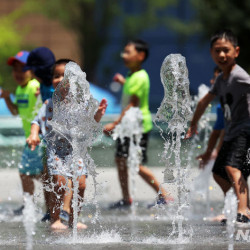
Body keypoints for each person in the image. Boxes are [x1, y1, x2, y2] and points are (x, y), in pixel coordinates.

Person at [27, 59, 108, 229]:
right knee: (60, 183)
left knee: (82, 184)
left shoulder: (82, 104)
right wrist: (34, 134)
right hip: (56, 151)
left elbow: (91, 122)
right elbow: (36, 121)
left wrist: (98, 114)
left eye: (65, 75)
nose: (60, 79)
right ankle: (55, 218)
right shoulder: (50, 104)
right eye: (56, 76)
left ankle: (74, 219)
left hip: (76, 151)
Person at [186, 29, 250, 224]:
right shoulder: (221, 80)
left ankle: (243, 210)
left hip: (245, 130)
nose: (222, 55)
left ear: (236, 52)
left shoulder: (239, 76)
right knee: (219, 172)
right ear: (211, 53)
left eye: (226, 50)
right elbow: (204, 101)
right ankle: (239, 202)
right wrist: (194, 123)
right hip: (232, 133)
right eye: (217, 50)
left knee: (232, 167)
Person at [104, 39, 172, 209]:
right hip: (129, 126)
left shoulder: (140, 77)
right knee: (120, 160)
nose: (124, 55)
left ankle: (164, 195)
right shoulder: (131, 75)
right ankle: (126, 199)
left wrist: (115, 124)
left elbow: (133, 103)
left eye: (128, 52)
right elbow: (132, 92)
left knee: (136, 164)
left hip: (138, 127)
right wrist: (123, 82)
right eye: (124, 52)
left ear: (141, 55)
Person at [0, 51, 44, 214]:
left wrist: (42, 92)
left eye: (23, 69)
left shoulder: (34, 86)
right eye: (15, 69)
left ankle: (32, 205)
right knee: (31, 173)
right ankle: (35, 202)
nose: (18, 73)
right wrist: (6, 98)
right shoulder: (20, 89)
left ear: (32, 71)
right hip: (31, 138)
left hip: (38, 137)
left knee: (26, 172)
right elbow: (15, 111)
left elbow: (44, 98)